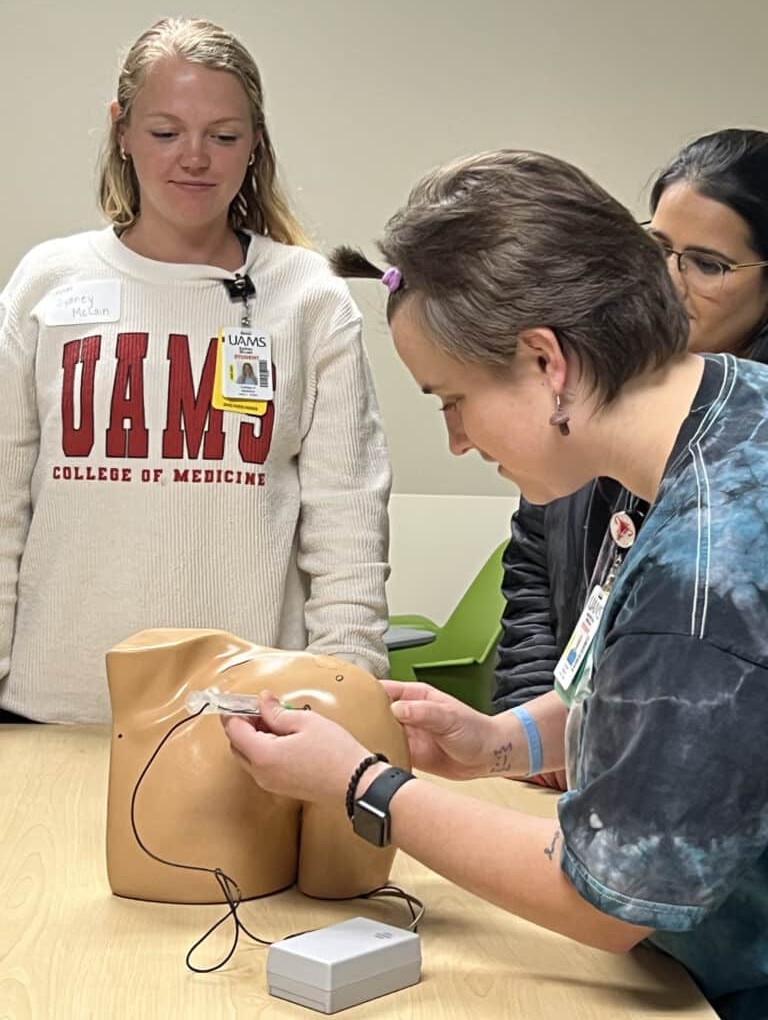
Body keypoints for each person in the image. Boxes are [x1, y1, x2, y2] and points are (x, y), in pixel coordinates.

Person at [223, 149, 768, 1020]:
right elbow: (691, 716)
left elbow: (601, 900)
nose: (457, 441)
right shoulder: (731, 407)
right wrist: (499, 743)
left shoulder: (707, 573)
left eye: (451, 399)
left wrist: (365, 786)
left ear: (547, 361)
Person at [0, 18, 391, 724]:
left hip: (244, 718)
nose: (195, 158)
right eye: (165, 132)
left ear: (254, 142)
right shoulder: (45, 284)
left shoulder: (308, 297)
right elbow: (2, 504)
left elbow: (348, 531)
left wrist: (344, 703)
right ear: (121, 130)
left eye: (223, 135)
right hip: (51, 710)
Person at [493, 131, 768, 793]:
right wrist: (530, 724)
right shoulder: (601, 367)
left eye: (706, 264)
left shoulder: (750, 452)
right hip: (568, 762)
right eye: (659, 250)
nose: (670, 284)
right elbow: (535, 557)